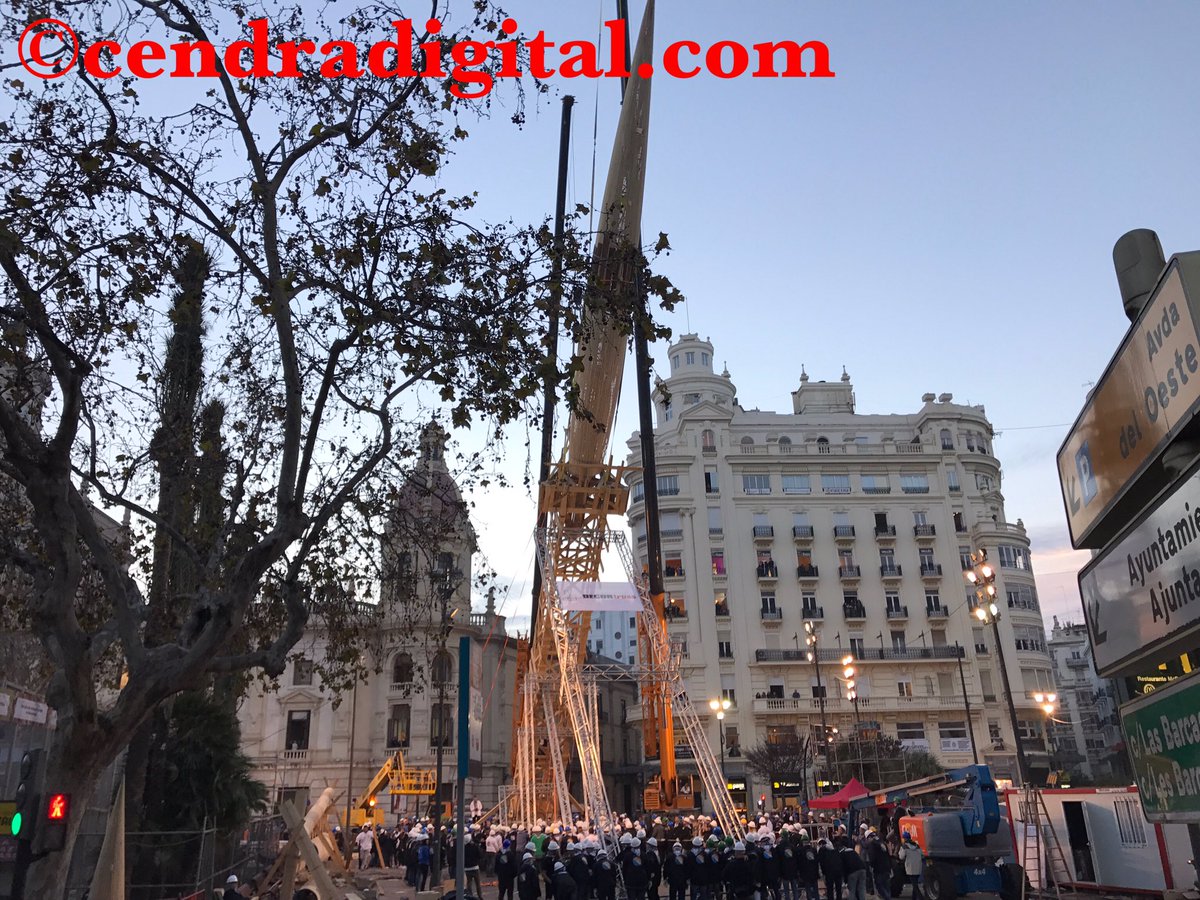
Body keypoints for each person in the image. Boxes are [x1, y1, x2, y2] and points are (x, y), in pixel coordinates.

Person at [864, 832, 892, 900]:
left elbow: (872, 857)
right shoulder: (882, 842)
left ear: (869, 837)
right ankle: (888, 897)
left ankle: (888, 898)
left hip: (879, 869)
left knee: (879, 886)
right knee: (886, 886)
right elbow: (889, 855)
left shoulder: (872, 844)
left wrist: (871, 865)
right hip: (887, 867)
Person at [898, 833, 923, 899]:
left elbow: (901, 857)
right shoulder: (917, 845)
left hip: (910, 868)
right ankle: (914, 898)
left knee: (915, 885)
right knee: (915, 883)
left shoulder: (904, 847)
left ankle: (920, 898)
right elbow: (922, 855)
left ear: (904, 838)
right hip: (918, 867)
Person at [465, 833, 484, 898]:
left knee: (469, 883)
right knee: (478, 883)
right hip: (475, 867)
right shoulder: (475, 846)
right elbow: (480, 855)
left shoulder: (464, 848)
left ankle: (470, 896)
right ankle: (480, 896)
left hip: (467, 868)